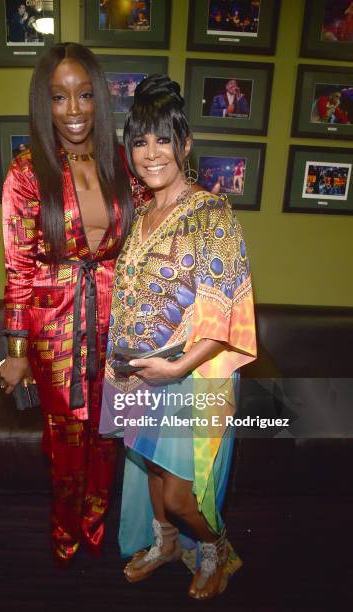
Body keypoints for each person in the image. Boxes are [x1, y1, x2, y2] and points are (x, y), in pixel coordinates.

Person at [99, 75, 257, 600]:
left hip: (190, 378)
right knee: (148, 472)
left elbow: (227, 316)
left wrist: (176, 368)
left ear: (185, 144)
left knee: (180, 496)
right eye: (140, 141)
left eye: (162, 138)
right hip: (141, 374)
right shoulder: (142, 214)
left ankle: (217, 549)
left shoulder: (212, 213)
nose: (151, 153)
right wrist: (118, 369)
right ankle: (166, 545)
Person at [0, 42, 137, 564]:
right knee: (66, 441)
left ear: (100, 98)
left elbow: (147, 239)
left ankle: (96, 528)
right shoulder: (28, 173)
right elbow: (19, 268)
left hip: (116, 324)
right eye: (59, 97)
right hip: (55, 328)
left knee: (108, 434)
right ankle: (65, 534)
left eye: (83, 95)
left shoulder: (121, 166)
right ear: (44, 103)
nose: (73, 110)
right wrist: (15, 351)